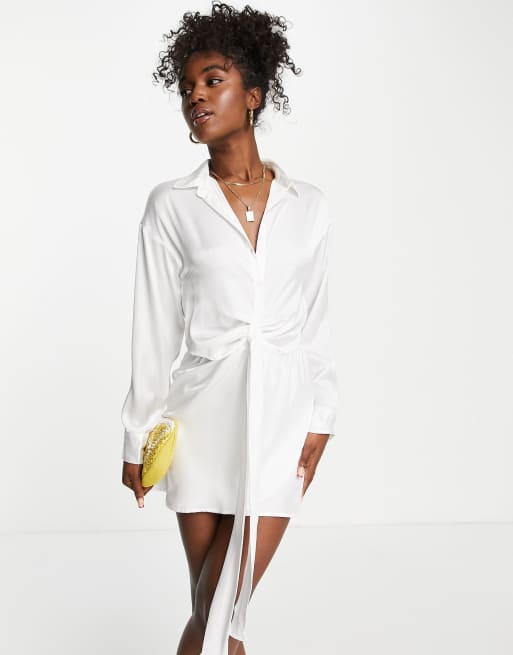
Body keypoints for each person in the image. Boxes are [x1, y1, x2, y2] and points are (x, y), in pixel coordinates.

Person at [120, 3, 339, 654]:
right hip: (199, 422)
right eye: (187, 86)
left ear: (253, 95)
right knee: (218, 614)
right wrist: (137, 435)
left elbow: (315, 320)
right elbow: (154, 328)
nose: (196, 96)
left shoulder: (309, 207)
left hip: (280, 420)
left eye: (212, 81)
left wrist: (322, 416)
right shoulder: (170, 205)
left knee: (220, 609)